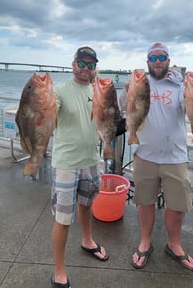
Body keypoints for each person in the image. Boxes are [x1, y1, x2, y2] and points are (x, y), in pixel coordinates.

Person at [131, 42, 193, 271]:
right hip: (145, 155)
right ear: (147, 61)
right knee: (145, 203)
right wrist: (128, 89)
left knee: (176, 206)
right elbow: (124, 107)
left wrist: (192, 89)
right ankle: (145, 242)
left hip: (175, 157)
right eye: (153, 57)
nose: (157, 61)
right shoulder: (140, 83)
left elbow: (190, 108)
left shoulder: (179, 85)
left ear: (168, 60)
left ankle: (174, 244)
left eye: (162, 57)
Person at [51, 46, 109, 288]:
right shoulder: (59, 90)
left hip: (92, 160)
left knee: (87, 205)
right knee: (64, 218)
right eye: (82, 63)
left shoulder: (100, 91)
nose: (86, 68)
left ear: (95, 67)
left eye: (90, 64)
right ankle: (59, 270)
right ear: (73, 64)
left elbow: (110, 115)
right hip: (66, 163)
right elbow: (49, 113)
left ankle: (87, 240)